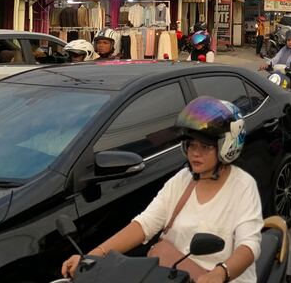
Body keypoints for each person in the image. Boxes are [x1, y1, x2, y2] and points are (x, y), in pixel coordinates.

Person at [60, 97, 262, 283]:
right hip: (174, 274)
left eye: (205, 147)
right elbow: (145, 224)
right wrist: (94, 256)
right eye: (191, 145)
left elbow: (249, 245)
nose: (195, 153)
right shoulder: (182, 180)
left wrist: (220, 273)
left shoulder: (243, 186)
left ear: (227, 146)